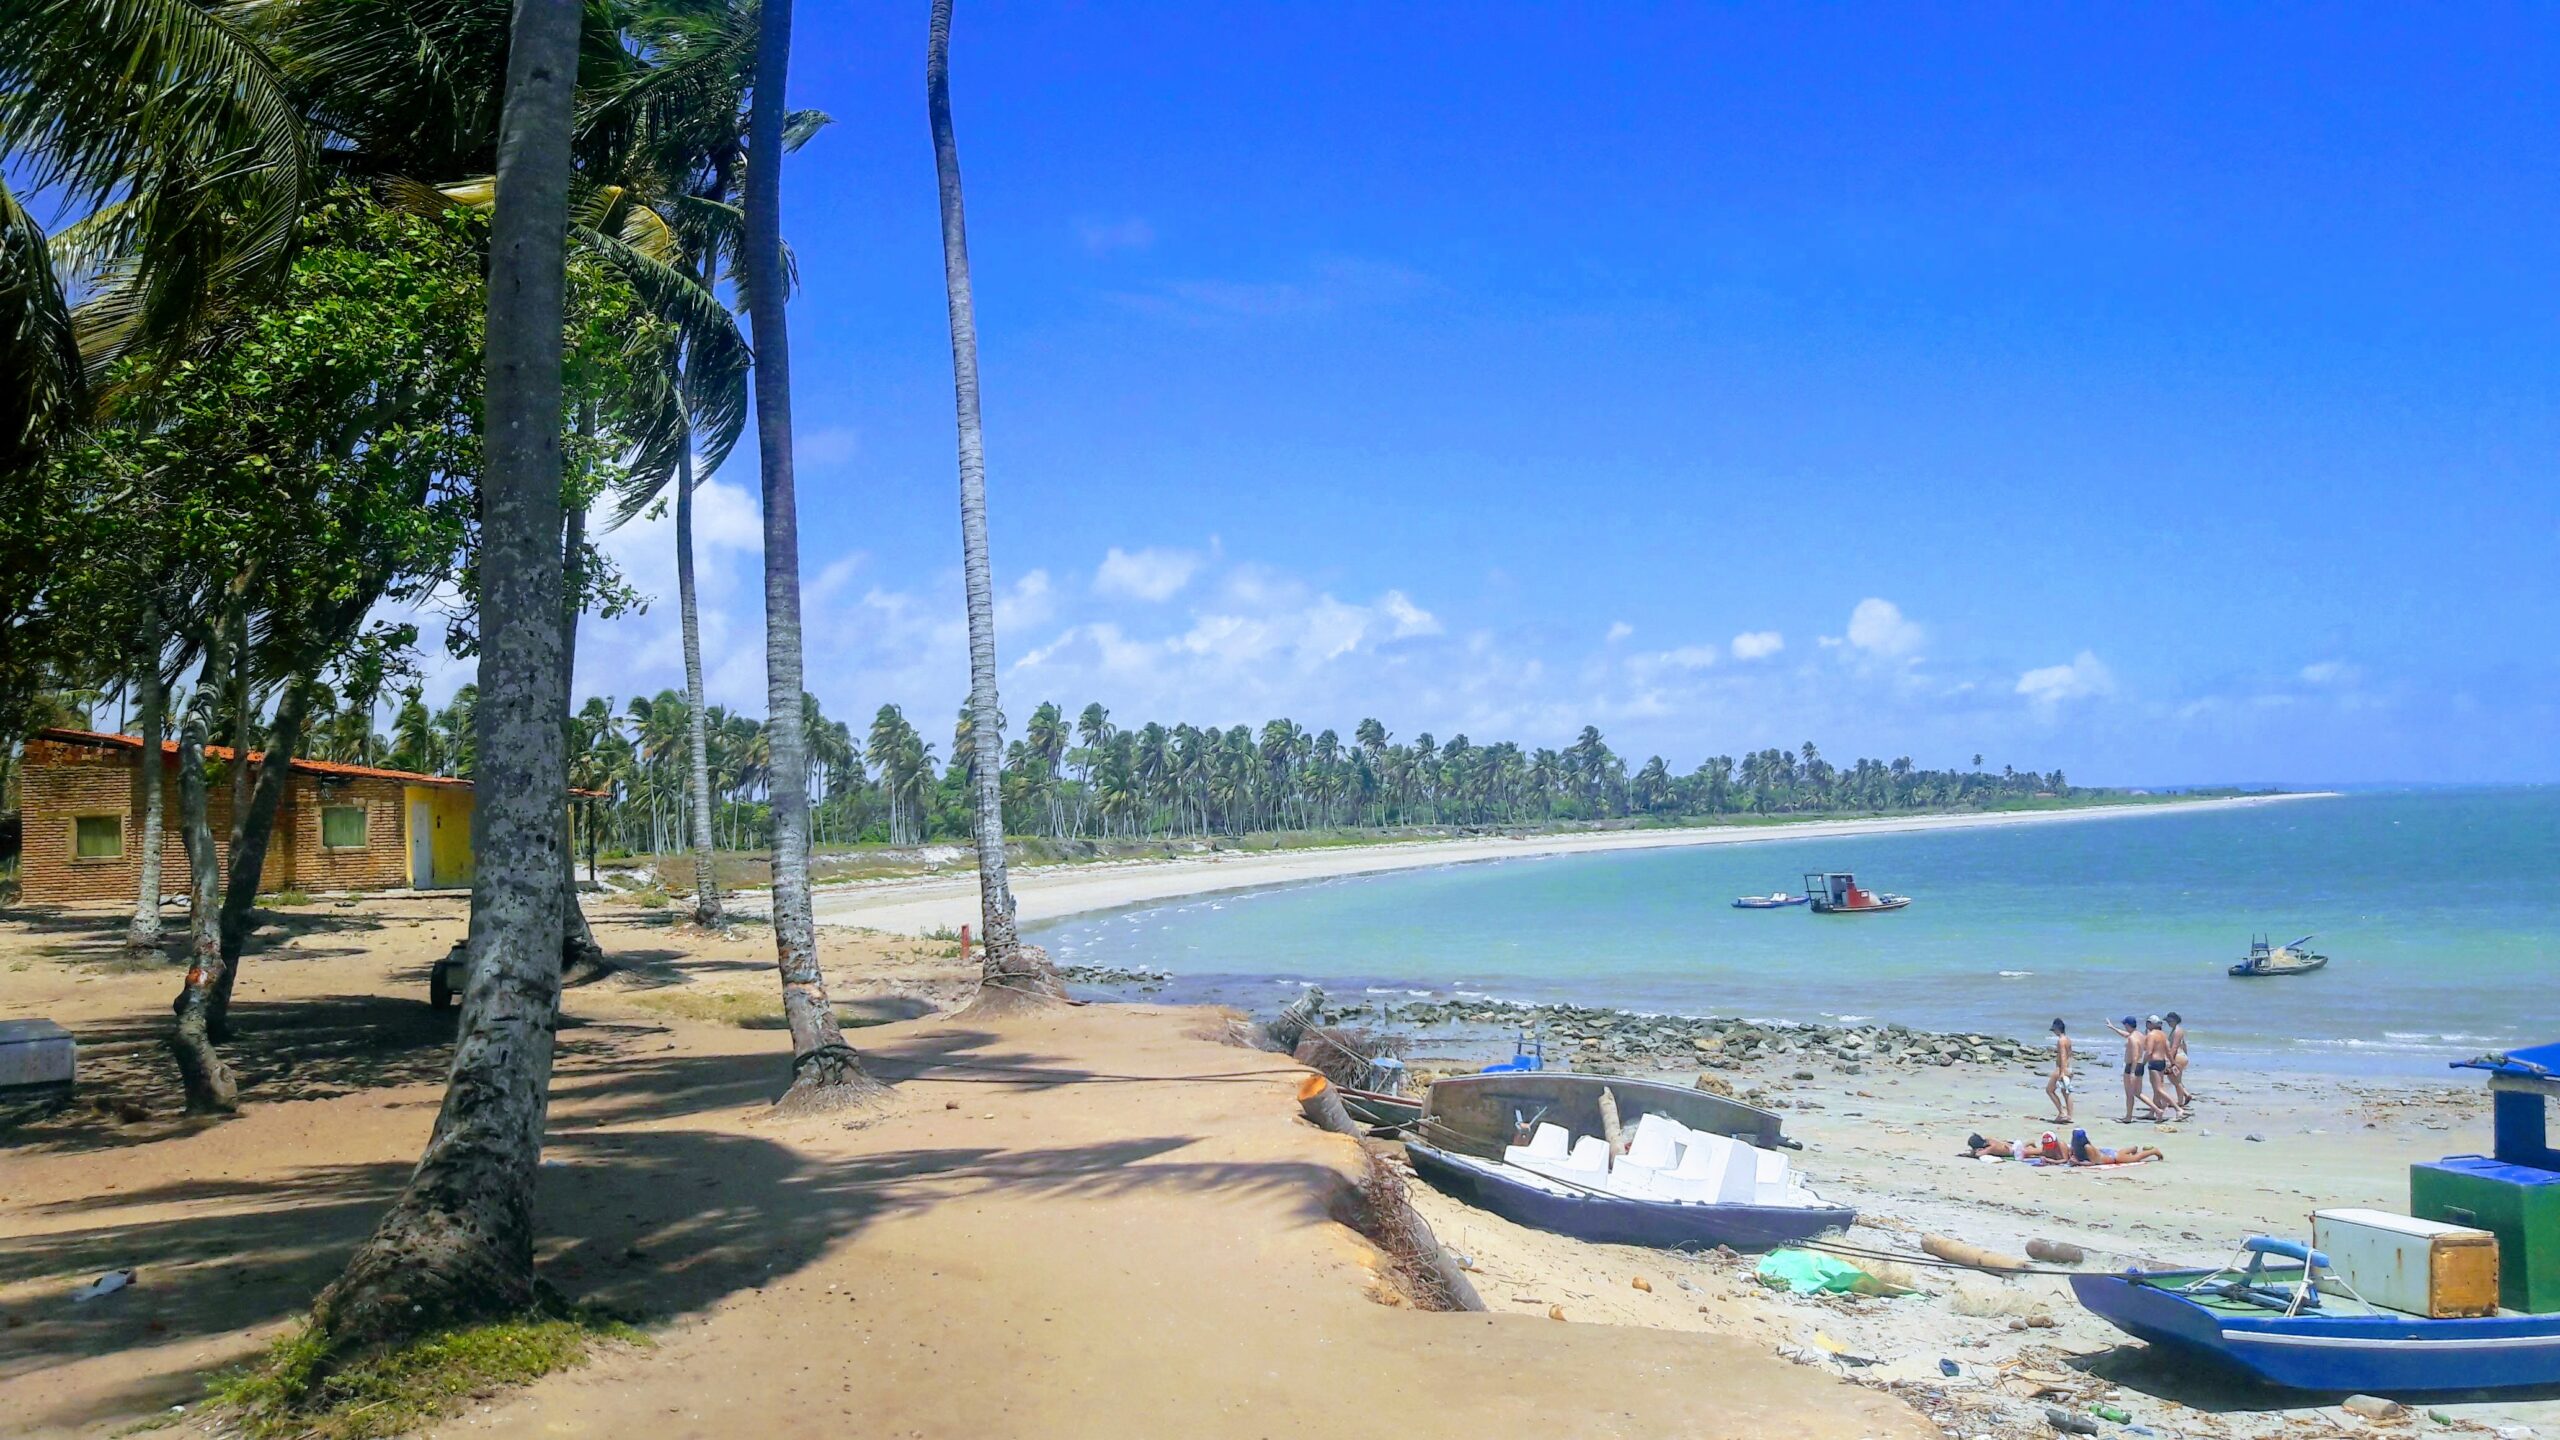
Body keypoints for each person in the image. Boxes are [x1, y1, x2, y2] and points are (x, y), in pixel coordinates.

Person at [2106, 1016, 2152, 1122]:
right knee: (2138, 1093)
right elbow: (2125, 1035)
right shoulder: (2139, 1035)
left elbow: (2135, 1056)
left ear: (2127, 1025)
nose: (2124, 1027)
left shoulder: (2132, 1038)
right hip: (2140, 1065)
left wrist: (2132, 1072)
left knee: (2129, 1094)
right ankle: (2156, 1110)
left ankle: (2129, 1116)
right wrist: (2113, 1027)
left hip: (2132, 1066)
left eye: (2125, 1025)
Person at [2143, 1015, 2182, 1120]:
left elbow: (2149, 1052)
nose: (2146, 1024)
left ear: (2151, 1024)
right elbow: (2168, 1052)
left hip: (2154, 1063)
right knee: (2156, 1091)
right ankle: (2152, 1113)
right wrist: (2173, 1064)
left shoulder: (2151, 1035)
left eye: (2148, 1022)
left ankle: (2178, 1109)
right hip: (2162, 1062)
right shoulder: (2163, 1034)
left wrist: (2142, 1064)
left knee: (2159, 1089)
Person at [2069, 1128, 2164, 1166]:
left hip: (2111, 1158)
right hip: (2105, 1153)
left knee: (2135, 1158)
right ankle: (2132, 1149)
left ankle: (2153, 1151)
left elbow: (2092, 1163)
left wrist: (2078, 1163)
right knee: (2119, 1153)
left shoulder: (2087, 1147)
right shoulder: (2076, 1145)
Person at [2044, 1018, 2075, 1124]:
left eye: (2054, 1030)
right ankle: (2069, 1115)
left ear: (2057, 1029)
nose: (2054, 1032)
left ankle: (2062, 1112)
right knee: (2066, 1092)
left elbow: (2062, 1056)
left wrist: (2061, 1072)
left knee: (2049, 1090)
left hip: (2062, 1068)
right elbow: (2069, 1054)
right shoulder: (2068, 1039)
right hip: (2069, 1067)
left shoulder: (2061, 1040)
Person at [2165, 1011, 2193, 1110]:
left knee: (2174, 1079)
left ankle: (2181, 1100)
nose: (2168, 1023)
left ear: (2175, 1020)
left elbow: (2175, 1046)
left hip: (2178, 1056)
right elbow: (2184, 1045)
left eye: (2170, 1021)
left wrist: (2170, 1061)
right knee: (2177, 1080)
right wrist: (2186, 1056)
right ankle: (2184, 1096)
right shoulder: (2177, 1030)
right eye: (2167, 1021)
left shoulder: (2177, 1031)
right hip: (2182, 1056)